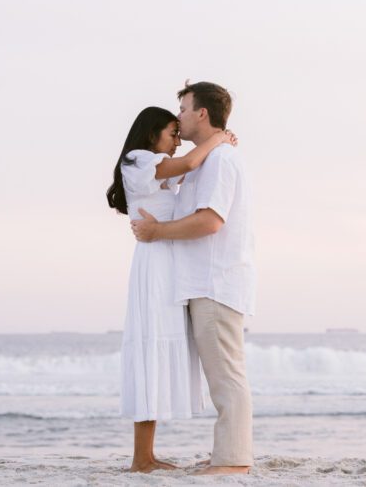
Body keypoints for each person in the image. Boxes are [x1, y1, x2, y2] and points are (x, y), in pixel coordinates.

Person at [132, 81, 255, 476]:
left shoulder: (219, 161)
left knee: (226, 376)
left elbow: (210, 221)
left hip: (215, 282)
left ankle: (232, 460)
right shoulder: (208, 159)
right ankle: (226, 454)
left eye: (183, 109)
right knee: (221, 375)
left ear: (202, 113)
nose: (179, 117)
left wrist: (156, 232)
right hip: (202, 283)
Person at [105, 106, 236, 473]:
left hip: (168, 262)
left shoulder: (157, 167)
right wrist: (219, 137)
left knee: (159, 354)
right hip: (155, 264)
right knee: (150, 350)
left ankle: (146, 456)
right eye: (172, 133)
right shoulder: (138, 159)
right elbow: (191, 163)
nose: (178, 141)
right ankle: (142, 458)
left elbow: (193, 172)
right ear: (152, 134)